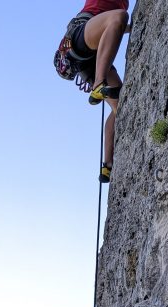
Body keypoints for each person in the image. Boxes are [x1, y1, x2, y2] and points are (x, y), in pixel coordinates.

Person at [59, 0, 130, 183]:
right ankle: (99, 83)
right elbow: (115, 21)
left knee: (122, 106)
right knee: (118, 17)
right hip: (82, 32)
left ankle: (107, 165)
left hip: (90, 55)